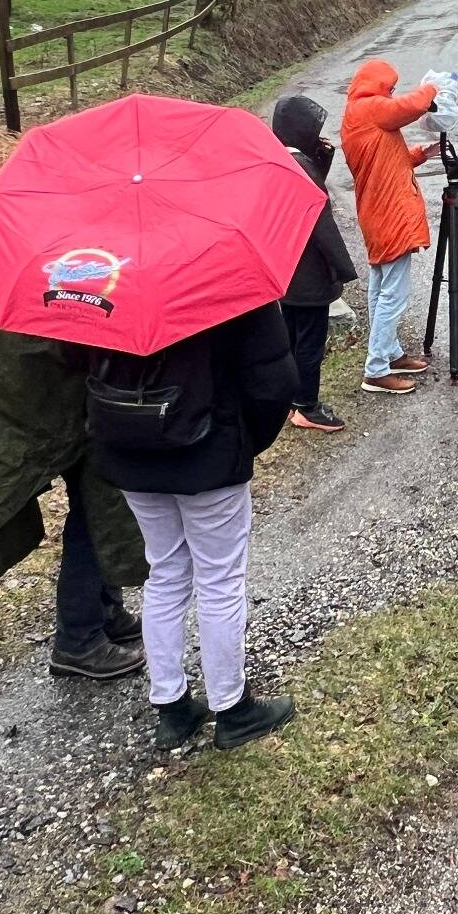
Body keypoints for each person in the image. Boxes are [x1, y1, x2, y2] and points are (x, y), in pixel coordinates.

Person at [0, 262, 147, 682]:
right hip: (49, 383)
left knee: (100, 499)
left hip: (48, 379)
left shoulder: (18, 227)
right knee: (101, 500)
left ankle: (102, 608)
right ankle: (79, 638)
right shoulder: (40, 231)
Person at [88, 305, 300, 753]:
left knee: (163, 572)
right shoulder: (230, 275)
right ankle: (232, 707)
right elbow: (273, 381)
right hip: (209, 449)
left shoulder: (105, 282)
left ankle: (172, 705)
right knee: (220, 580)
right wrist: (243, 441)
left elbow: (75, 366)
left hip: (129, 448)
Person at [341, 59, 439, 395]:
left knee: (380, 288)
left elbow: (383, 160)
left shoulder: (358, 113)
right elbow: (408, 107)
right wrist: (435, 87)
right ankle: (377, 369)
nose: (392, 92)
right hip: (388, 213)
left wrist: (419, 155)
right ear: (377, 85)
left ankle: (389, 352)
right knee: (392, 295)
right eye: (390, 87)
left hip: (377, 211)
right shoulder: (369, 107)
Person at [271, 94, 359, 433]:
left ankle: (291, 401)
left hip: (286, 270)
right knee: (310, 342)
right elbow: (322, 224)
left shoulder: (279, 160)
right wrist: (342, 268)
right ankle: (307, 405)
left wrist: (319, 158)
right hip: (309, 273)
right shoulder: (301, 169)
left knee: (292, 338)